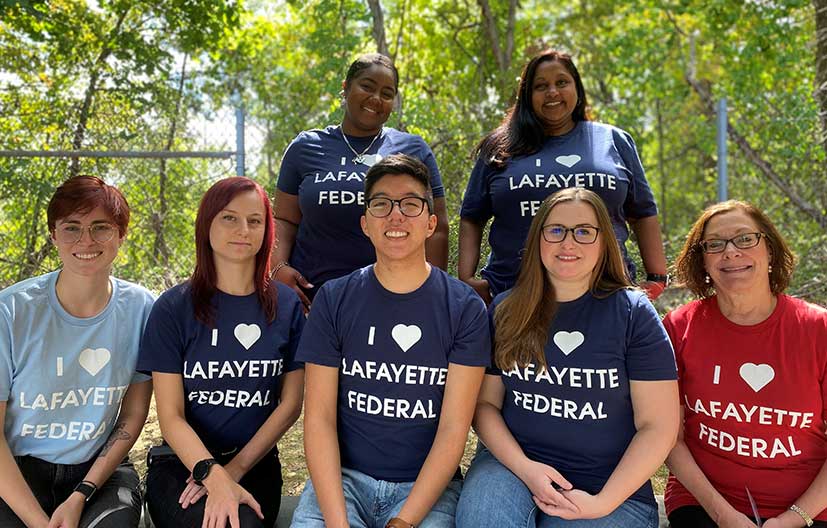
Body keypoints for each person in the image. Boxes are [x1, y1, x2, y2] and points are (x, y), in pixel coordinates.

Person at [456, 187, 679, 528]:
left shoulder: (633, 314)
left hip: (607, 487)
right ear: (538, 238)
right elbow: (485, 406)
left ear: (604, 241)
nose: (568, 243)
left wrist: (602, 503)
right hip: (512, 466)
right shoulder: (506, 309)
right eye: (556, 230)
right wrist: (526, 469)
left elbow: (658, 427)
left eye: (584, 231)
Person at [290, 154, 490, 528]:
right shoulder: (334, 299)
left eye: (410, 204)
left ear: (431, 223)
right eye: (381, 204)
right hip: (343, 481)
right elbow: (318, 419)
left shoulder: (464, 308)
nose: (396, 216)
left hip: (426, 488)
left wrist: (404, 521)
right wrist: (337, 523)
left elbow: (453, 429)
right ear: (365, 223)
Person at [138, 177, 305, 528]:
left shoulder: (287, 305)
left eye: (255, 220)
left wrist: (234, 471)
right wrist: (211, 475)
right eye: (229, 218)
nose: (243, 230)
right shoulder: (173, 308)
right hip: (183, 465)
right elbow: (170, 416)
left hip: (254, 463)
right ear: (207, 225)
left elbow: (290, 404)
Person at [0, 175, 154, 528]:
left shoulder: (141, 308)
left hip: (99, 471)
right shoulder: (11, 312)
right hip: (18, 470)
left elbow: (133, 414)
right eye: (71, 228)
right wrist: (38, 523)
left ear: (121, 235)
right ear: (53, 235)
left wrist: (82, 493)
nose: (86, 240)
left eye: (101, 227)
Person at [458, 49, 668, 304]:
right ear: (527, 95)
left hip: (606, 295)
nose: (552, 92)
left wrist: (657, 277)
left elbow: (643, 212)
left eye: (561, 82)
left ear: (577, 88)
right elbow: (472, 216)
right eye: (540, 86)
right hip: (516, 297)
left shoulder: (613, 140)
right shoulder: (499, 147)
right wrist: (466, 279)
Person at [664, 200, 827, 528]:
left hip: (808, 506)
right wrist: (724, 516)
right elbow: (667, 438)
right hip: (704, 503)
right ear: (703, 261)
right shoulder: (679, 327)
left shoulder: (818, 329)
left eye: (745, 238)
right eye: (714, 244)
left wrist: (792, 519)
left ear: (770, 250)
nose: (730, 251)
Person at [274, 52, 449, 308]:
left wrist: (429, 294)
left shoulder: (413, 149)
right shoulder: (306, 147)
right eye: (367, 86)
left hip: (392, 300)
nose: (376, 98)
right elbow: (283, 220)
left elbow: (437, 227)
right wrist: (278, 268)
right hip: (312, 300)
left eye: (387, 93)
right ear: (345, 88)